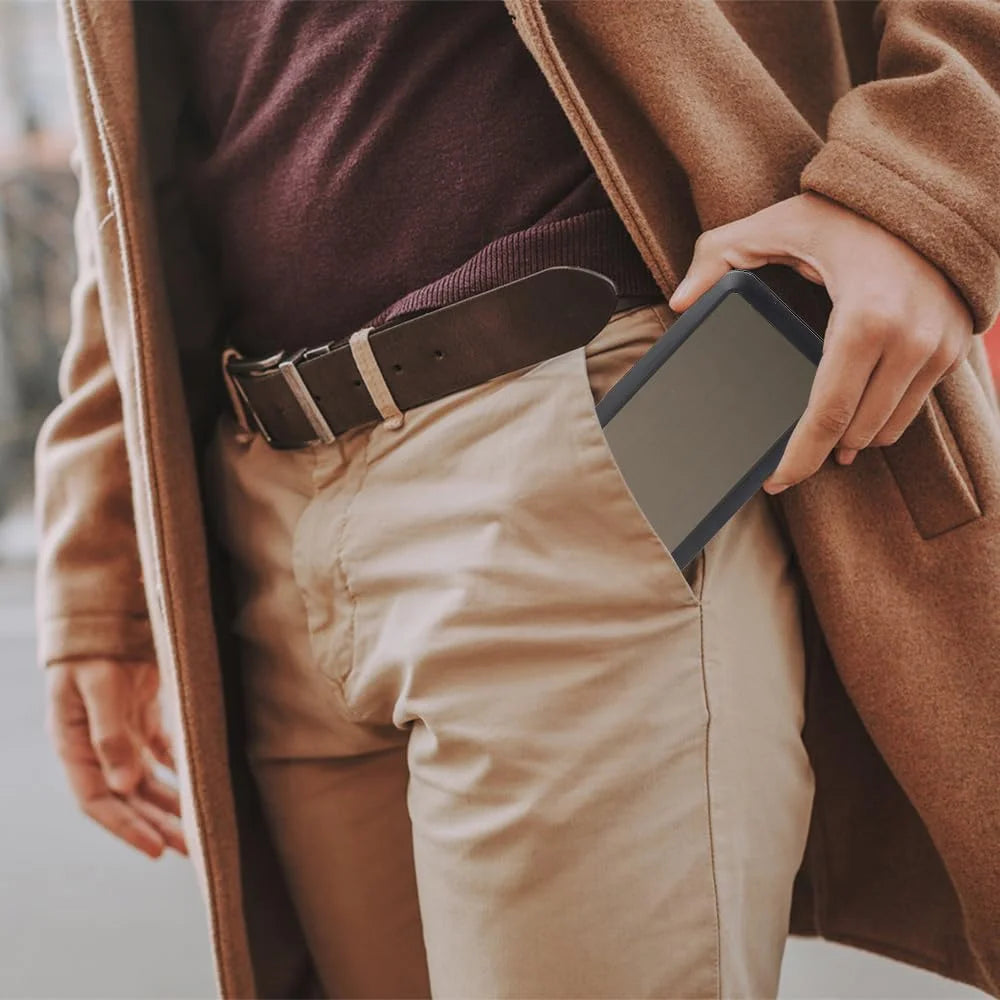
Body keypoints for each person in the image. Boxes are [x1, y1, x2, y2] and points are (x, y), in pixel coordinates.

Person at [37, 1, 1000, 998]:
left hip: (573, 439)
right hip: (265, 497)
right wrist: (103, 547)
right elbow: (128, 140)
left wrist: (928, 184)